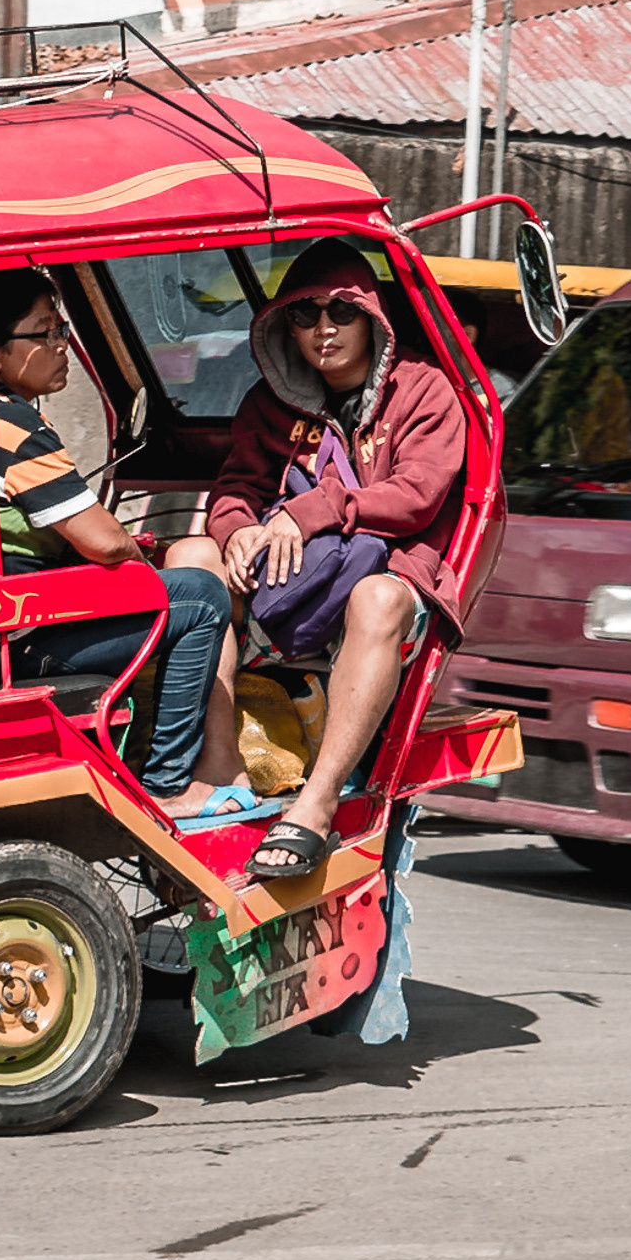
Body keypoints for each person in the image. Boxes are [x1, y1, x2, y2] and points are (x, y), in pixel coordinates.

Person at [167, 238, 470, 880]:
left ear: (373, 319)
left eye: (342, 312)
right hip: (292, 576)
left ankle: (318, 801)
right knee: (192, 554)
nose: (324, 329)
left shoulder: (424, 389)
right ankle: (221, 770)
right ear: (286, 326)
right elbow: (236, 488)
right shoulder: (268, 402)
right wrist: (236, 531)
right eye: (306, 314)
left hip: (391, 571)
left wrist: (314, 510)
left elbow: (417, 497)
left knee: (376, 598)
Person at [0, 272, 251, 816]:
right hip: (15, 641)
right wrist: (143, 564)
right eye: (43, 333)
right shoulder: (8, 425)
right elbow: (106, 542)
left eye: (62, 330)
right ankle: (169, 784)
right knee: (202, 597)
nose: (61, 346)